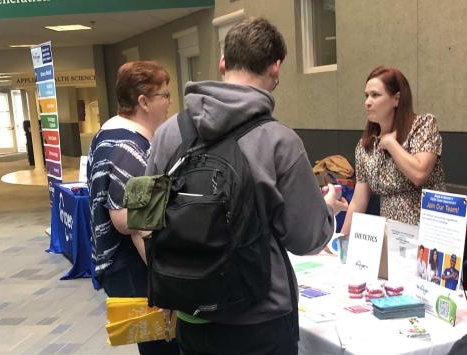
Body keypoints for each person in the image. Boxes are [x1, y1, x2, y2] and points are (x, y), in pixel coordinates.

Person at [145, 17, 348, 355]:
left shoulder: (169, 133)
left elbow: (147, 220)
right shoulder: (279, 142)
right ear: (276, 68)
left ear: (223, 62)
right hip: (260, 319)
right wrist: (326, 208)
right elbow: (308, 239)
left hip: (191, 312)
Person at [87, 61, 179, 354]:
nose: (169, 102)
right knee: (162, 347)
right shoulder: (129, 148)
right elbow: (133, 222)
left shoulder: (107, 134)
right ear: (143, 101)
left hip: (124, 266)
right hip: (135, 268)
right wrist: (164, 285)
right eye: (163, 95)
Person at [339, 66, 445, 237]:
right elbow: (358, 202)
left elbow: (419, 173)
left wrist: (390, 143)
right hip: (391, 238)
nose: (367, 102)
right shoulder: (365, 145)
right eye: (366, 96)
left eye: (375, 95)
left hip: (429, 236)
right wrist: (341, 241)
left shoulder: (423, 125)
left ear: (396, 99)